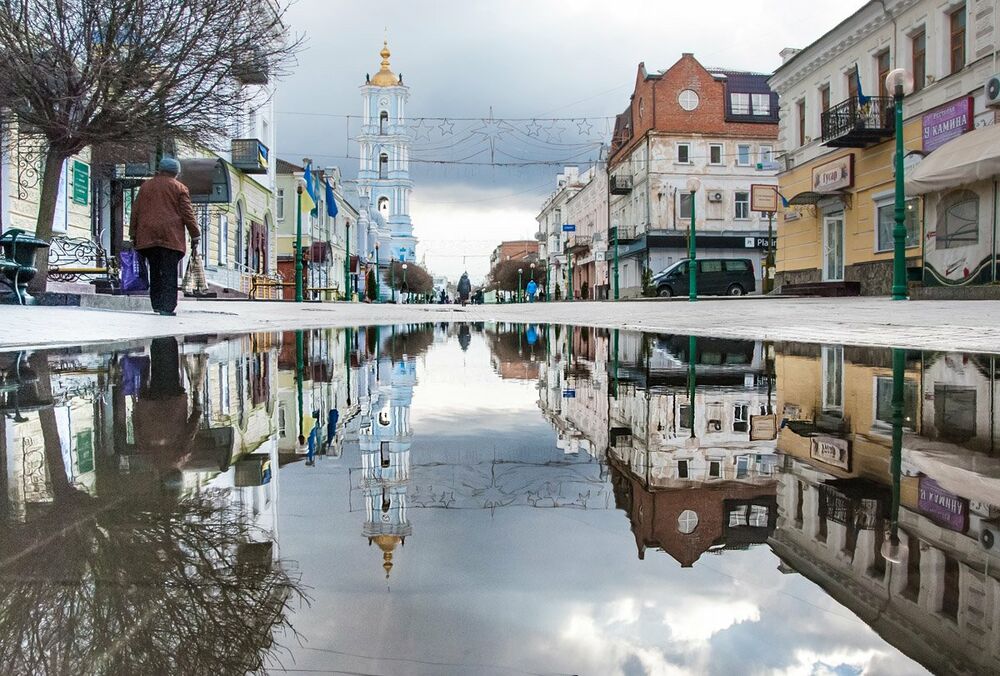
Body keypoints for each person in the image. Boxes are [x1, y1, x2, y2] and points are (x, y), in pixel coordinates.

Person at [128, 157, 200, 316]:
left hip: (148, 236)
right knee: (169, 272)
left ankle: (157, 304)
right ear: (176, 172)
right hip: (171, 237)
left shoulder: (146, 186)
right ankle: (167, 307)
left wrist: (133, 234)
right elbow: (188, 214)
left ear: (159, 170)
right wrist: (195, 234)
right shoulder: (179, 188)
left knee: (154, 270)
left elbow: (136, 212)